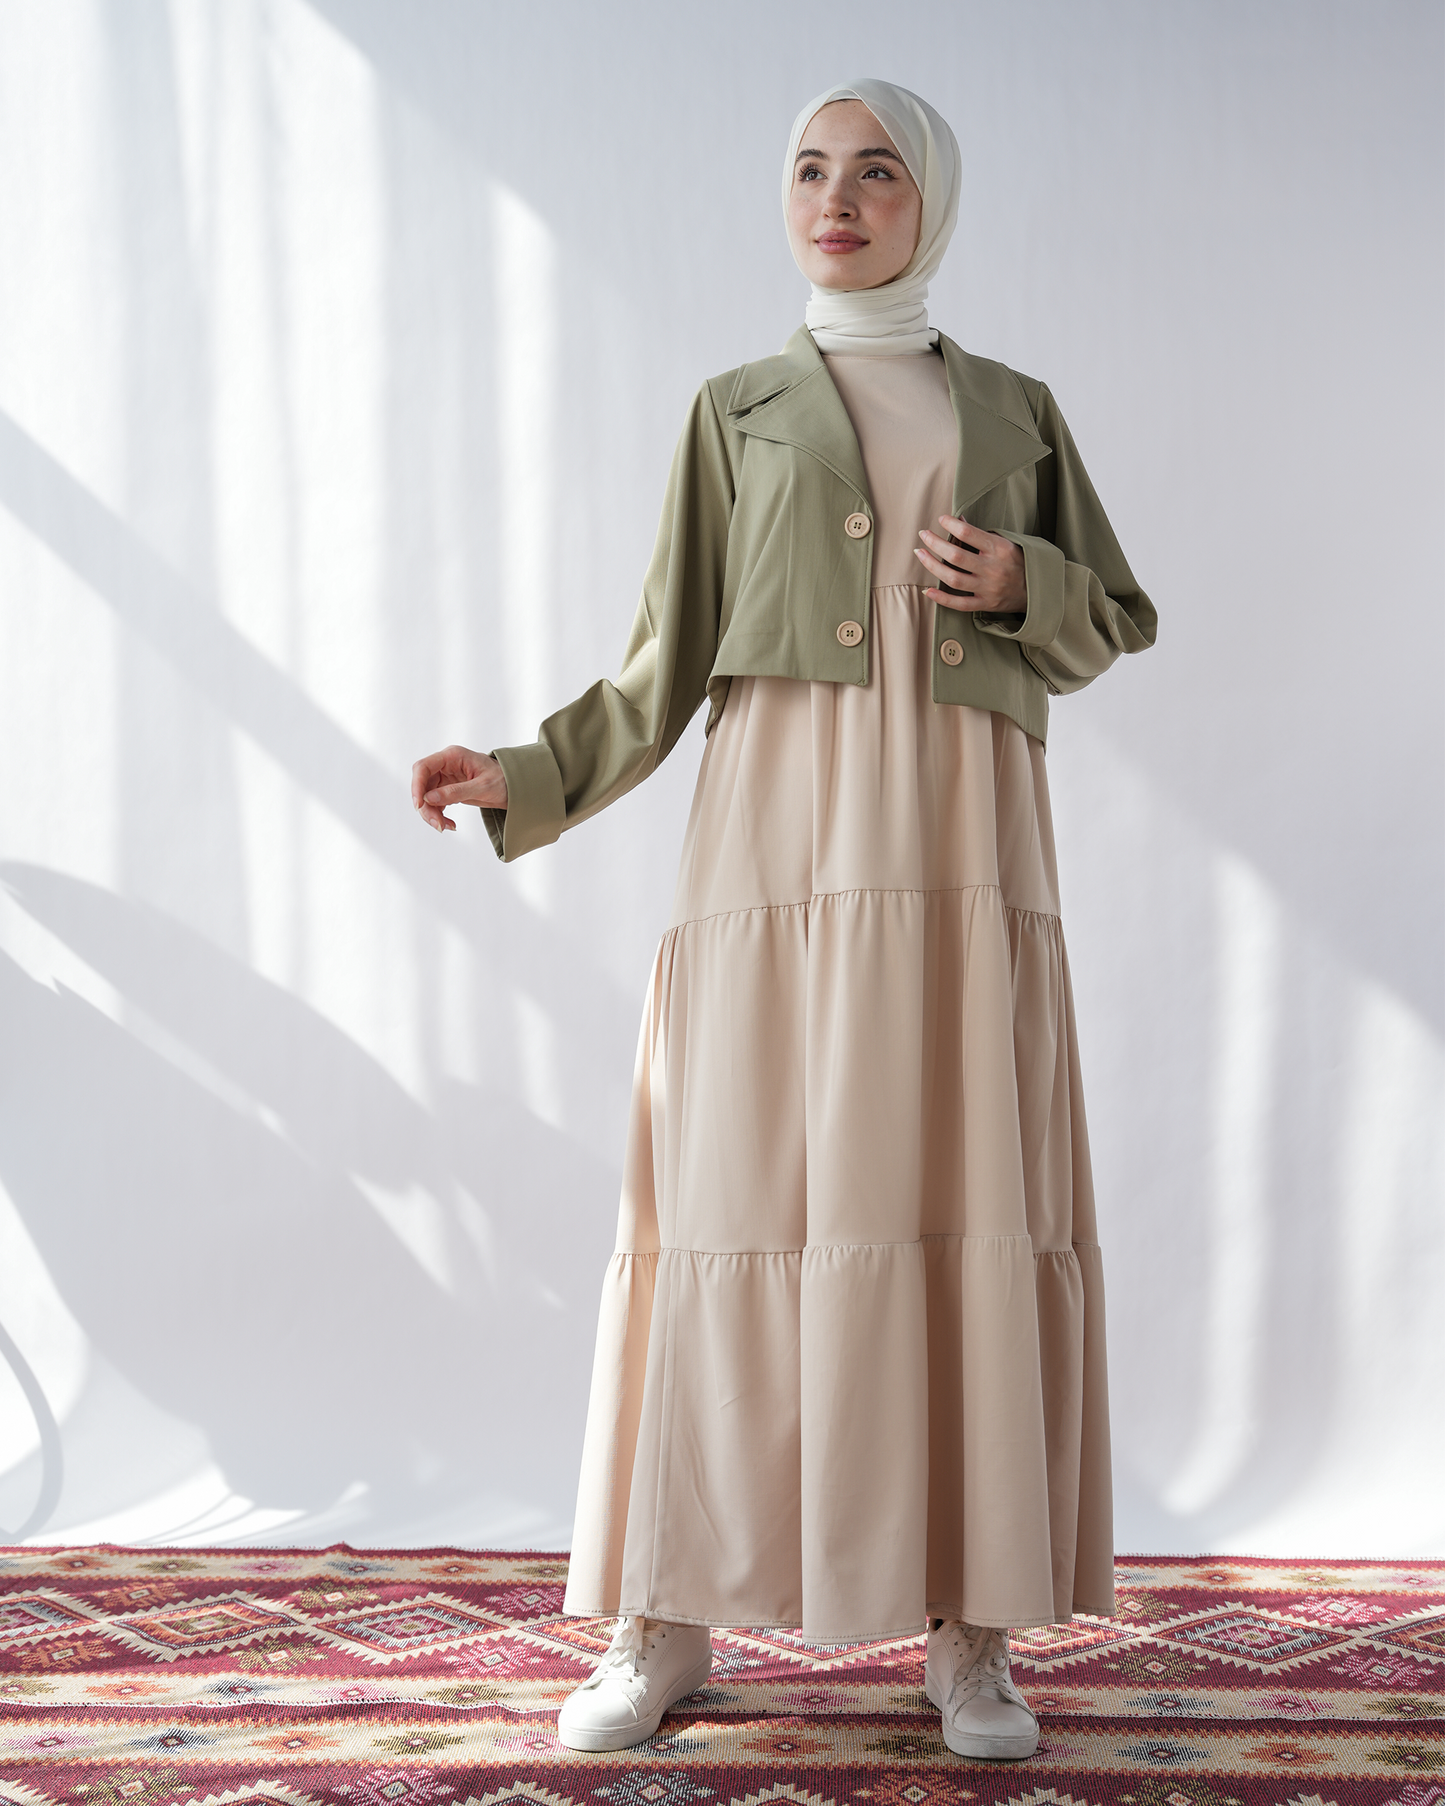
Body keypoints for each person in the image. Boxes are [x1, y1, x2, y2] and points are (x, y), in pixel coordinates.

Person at [412, 78, 1155, 1762]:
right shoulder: (734, 410)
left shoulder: (1017, 409)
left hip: (960, 833)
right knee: (735, 1197)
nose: (838, 196)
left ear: (929, 202)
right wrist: (527, 773)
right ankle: (664, 1616)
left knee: (956, 1187)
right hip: (773, 846)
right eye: (813, 169)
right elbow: (665, 658)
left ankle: (972, 1633)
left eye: (877, 171)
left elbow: (1114, 612)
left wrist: (1024, 585)